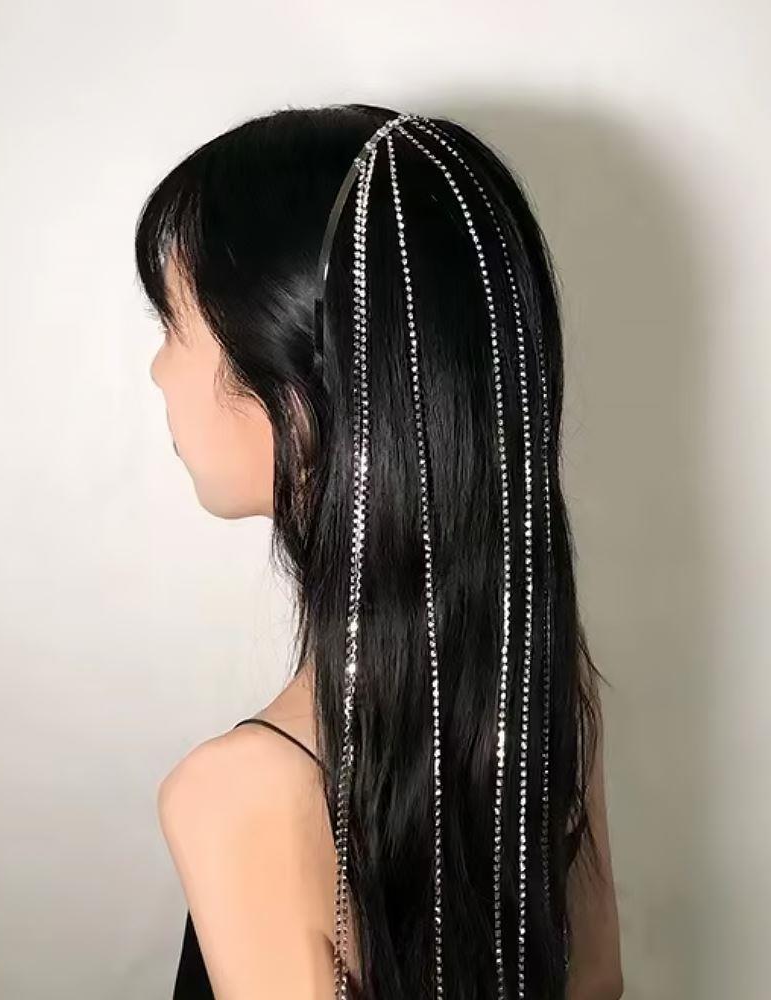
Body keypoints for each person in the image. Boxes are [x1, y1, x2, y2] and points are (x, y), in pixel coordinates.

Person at [136, 103, 623, 1000]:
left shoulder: (240, 797)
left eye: (173, 323)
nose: (158, 369)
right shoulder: (544, 692)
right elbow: (596, 984)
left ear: (298, 399)